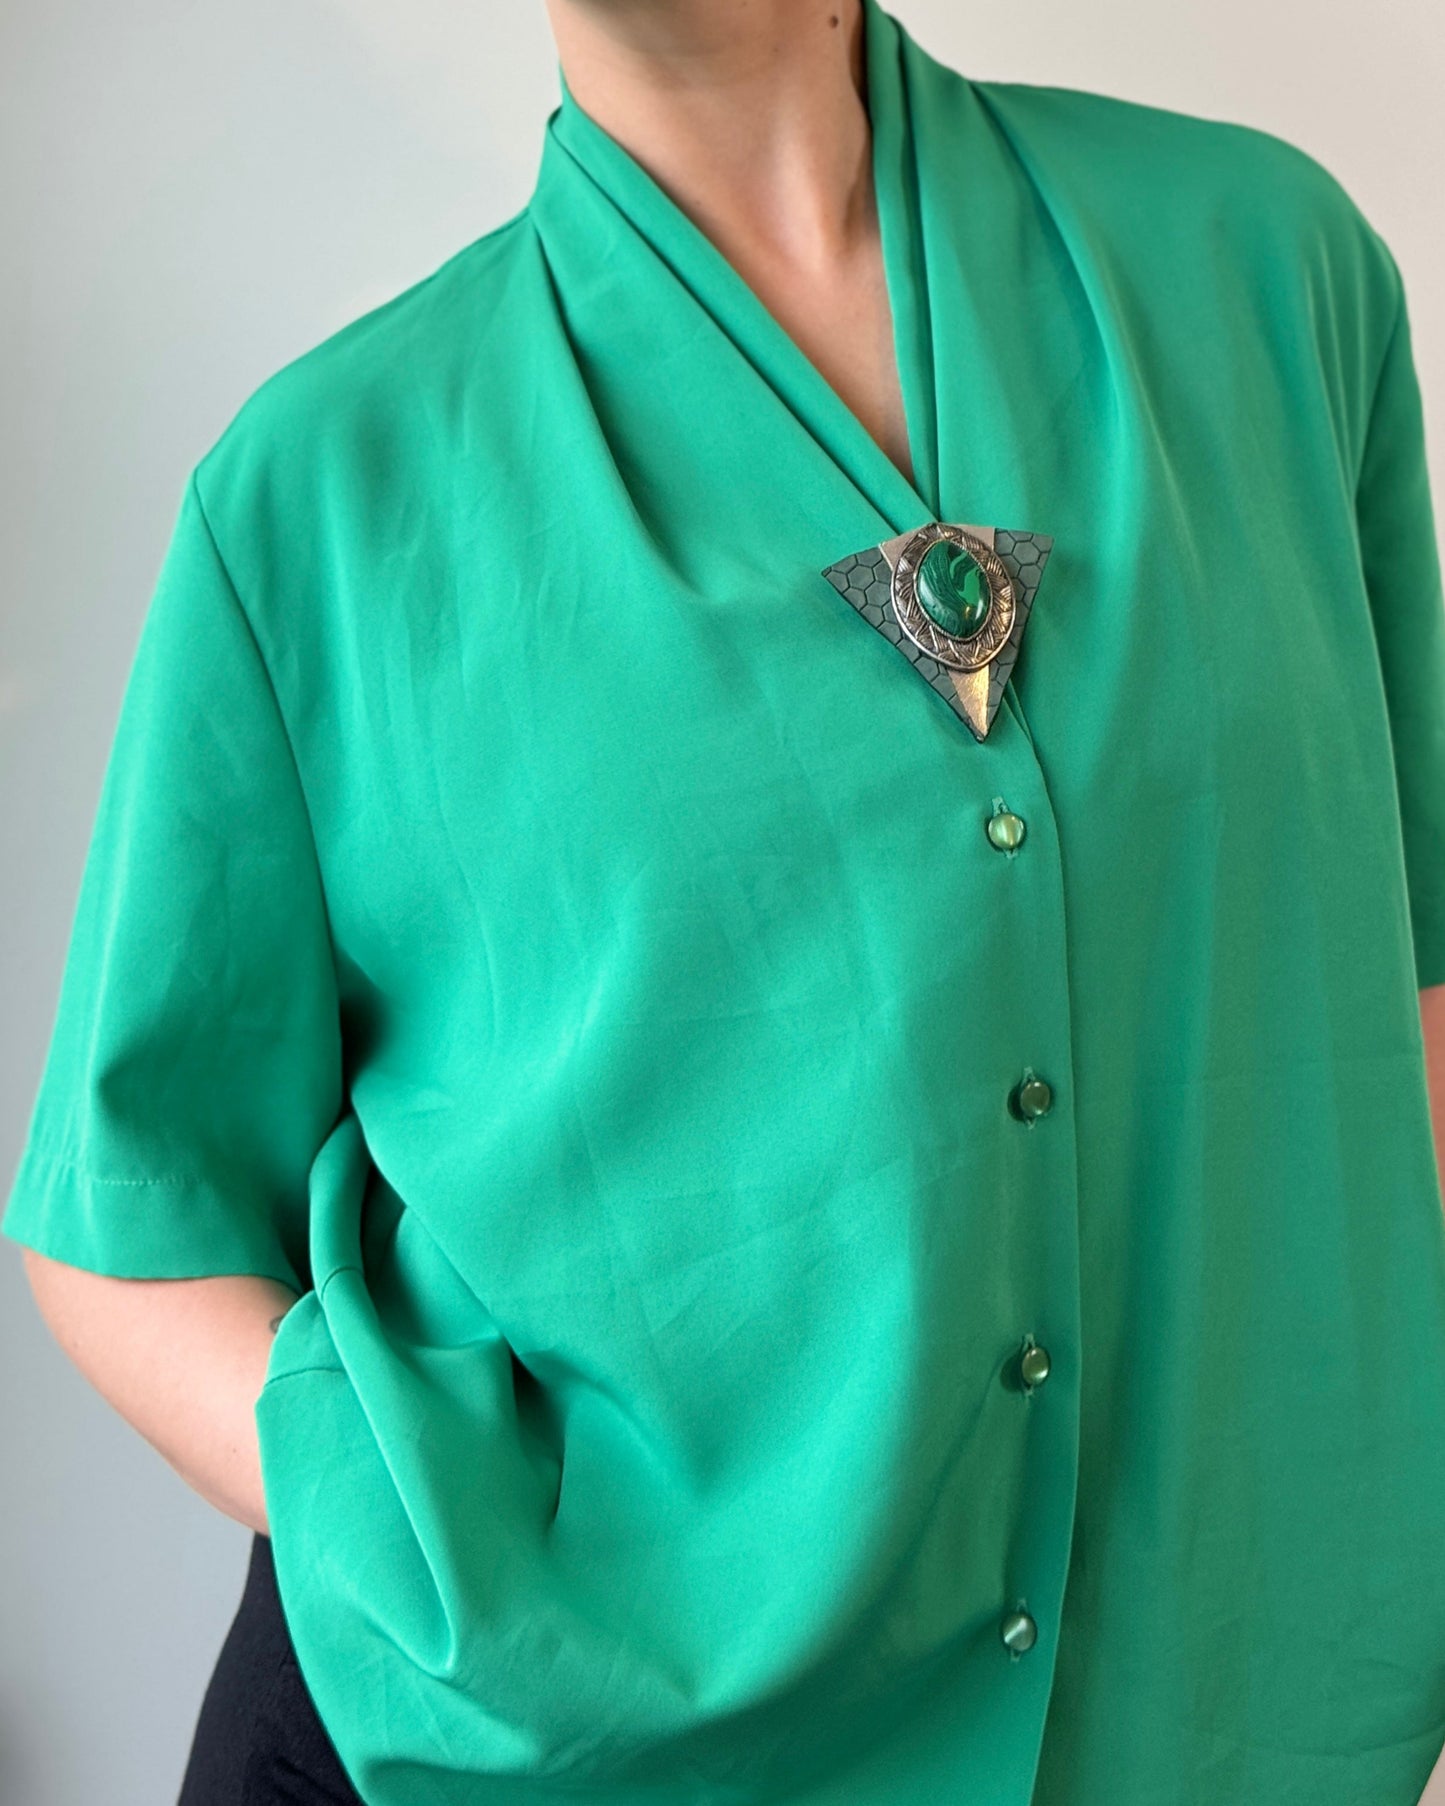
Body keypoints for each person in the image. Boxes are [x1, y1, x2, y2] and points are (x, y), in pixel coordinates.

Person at [9, 0, 1445, 1802]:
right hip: (539, 1736)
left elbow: (1397, 988)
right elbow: (125, 1212)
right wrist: (431, 1548)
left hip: (1197, 1710)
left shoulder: (1269, 279)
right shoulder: (318, 494)